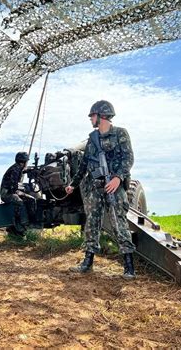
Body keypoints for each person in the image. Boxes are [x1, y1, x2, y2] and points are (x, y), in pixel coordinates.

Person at [65, 100, 136, 279]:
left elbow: (128, 158)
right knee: (92, 224)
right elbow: (84, 164)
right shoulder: (92, 139)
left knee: (118, 223)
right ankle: (87, 262)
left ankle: (129, 266)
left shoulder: (120, 133)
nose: (90, 119)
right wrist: (73, 184)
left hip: (114, 186)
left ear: (102, 116)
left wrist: (118, 178)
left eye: (92, 116)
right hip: (95, 188)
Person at [0, 152, 31, 235]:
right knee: (20, 202)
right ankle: (23, 224)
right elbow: (14, 187)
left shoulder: (18, 168)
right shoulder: (15, 170)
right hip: (6, 194)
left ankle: (14, 228)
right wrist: (23, 191)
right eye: (26, 162)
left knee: (27, 198)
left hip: (10, 191)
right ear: (23, 162)